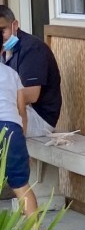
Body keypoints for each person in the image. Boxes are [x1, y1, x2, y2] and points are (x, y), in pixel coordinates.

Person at [0, 6, 62, 137]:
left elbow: (32, 95)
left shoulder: (32, 48)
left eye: (2, 30)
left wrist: (4, 99)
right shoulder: (4, 49)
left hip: (39, 118)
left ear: (14, 25)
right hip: (18, 110)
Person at [0, 60, 38, 214]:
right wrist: (21, 140)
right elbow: (21, 110)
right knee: (21, 185)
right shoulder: (11, 73)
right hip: (12, 129)